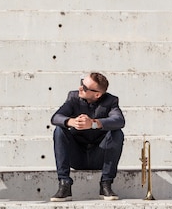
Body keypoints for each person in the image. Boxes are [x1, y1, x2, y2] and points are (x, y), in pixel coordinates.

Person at [50, 72, 125, 201]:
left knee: (117, 132)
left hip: (99, 156)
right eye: (81, 84)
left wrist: (93, 124)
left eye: (84, 88)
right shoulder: (73, 97)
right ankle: (64, 184)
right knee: (59, 130)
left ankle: (106, 184)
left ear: (97, 94)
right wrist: (71, 122)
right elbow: (56, 117)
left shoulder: (110, 101)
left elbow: (119, 120)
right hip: (77, 155)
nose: (80, 88)